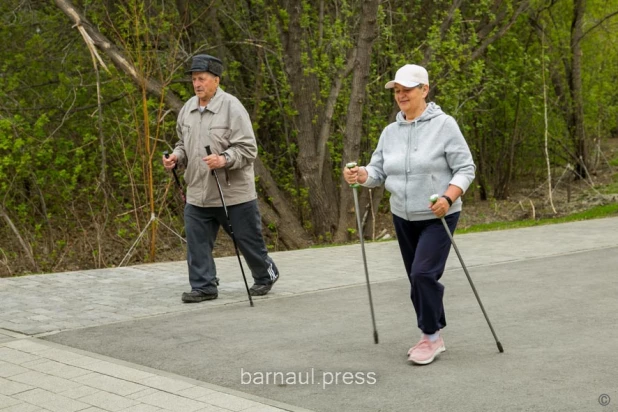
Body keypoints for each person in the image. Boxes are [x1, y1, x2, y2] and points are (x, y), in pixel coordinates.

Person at [343, 64, 475, 365]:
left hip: (438, 214)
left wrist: (448, 196)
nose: (401, 95)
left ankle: (430, 337)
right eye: (397, 91)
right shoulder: (390, 132)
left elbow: (466, 168)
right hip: (403, 216)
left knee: (422, 274)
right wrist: (360, 174)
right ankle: (433, 331)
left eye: (407, 90)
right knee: (417, 279)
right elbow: (377, 171)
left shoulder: (445, 126)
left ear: (424, 90)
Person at [162, 54, 279, 303]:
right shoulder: (187, 109)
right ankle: (204, 286)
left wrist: (223, 159)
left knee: (247, 241)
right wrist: (175, 156)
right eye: (194, 79)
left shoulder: (233, 107)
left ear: (216, 80)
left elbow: (248, 149)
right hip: (197, 192)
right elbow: (183, 144)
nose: (197, 84)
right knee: (197, 243)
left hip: (232, 193)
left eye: (201, 78)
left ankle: (265, 275)